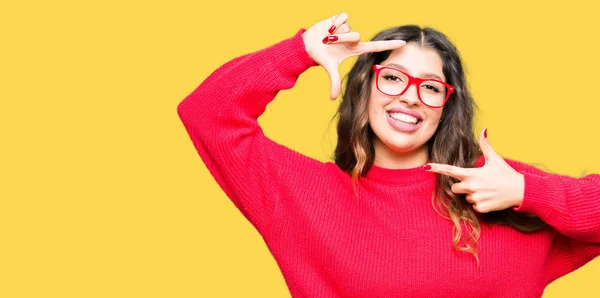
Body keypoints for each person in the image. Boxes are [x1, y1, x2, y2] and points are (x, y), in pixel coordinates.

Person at [177, 12, 600, 298]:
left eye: (431, 86)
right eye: (393, 77)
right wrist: (300, 52)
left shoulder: (495, 190)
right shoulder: (303, 196)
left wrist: (530, 189)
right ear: (363, 90)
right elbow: (206, 113)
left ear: (446, 106)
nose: (411, 97)